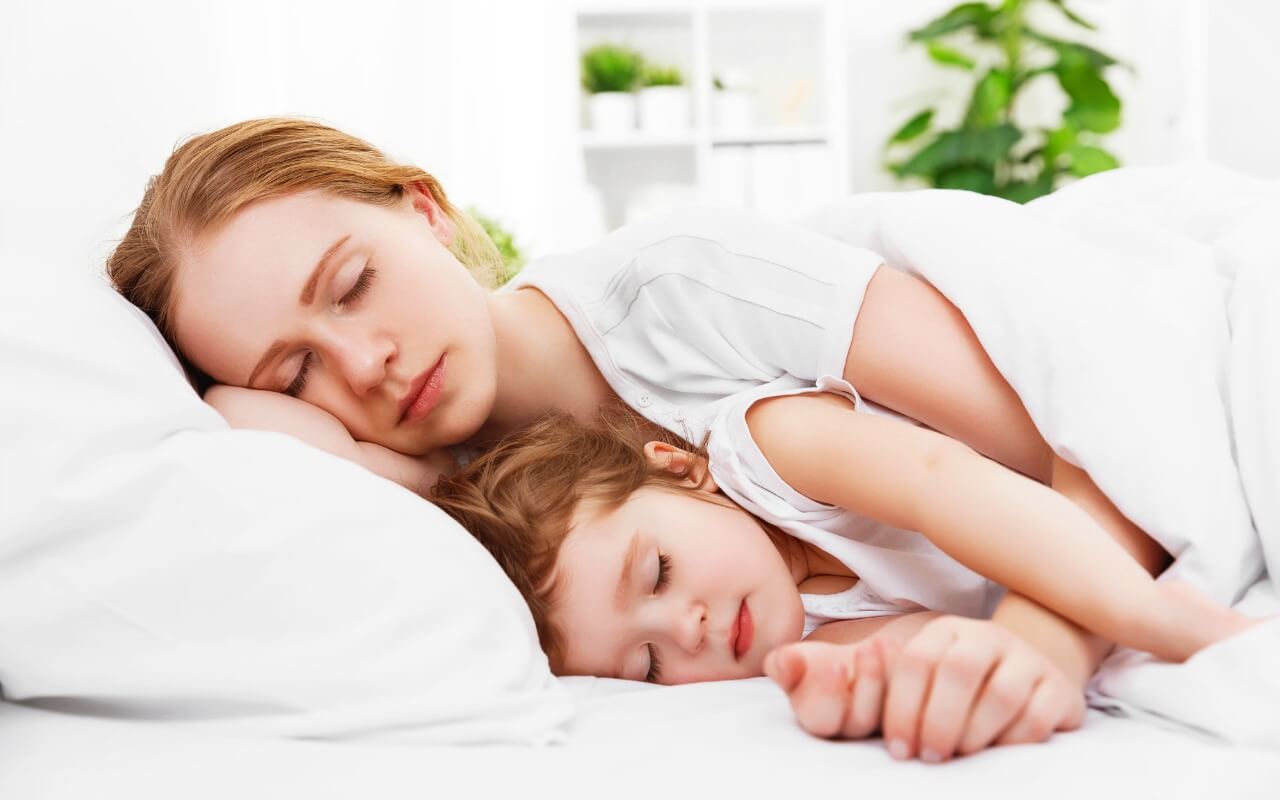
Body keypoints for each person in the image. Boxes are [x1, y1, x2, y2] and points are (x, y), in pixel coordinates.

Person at [107, 116, 1174, 761]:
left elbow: (1084, 430)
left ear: (424, 211)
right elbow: (244, 436)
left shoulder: (683, 283)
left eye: (353, 283)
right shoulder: (497, 520)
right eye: (296, 370)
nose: (364, 365)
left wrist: (1038, 651)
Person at [425, 405, 1260, 758]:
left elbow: (940, 480)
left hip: (1065, 492)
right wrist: (865, 684)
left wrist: (1145, 616)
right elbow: (940, 642)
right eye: (647, 665)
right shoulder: (798, 634)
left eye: (660, 572)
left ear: (680, 469)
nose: (686, 629)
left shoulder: (773, 448)